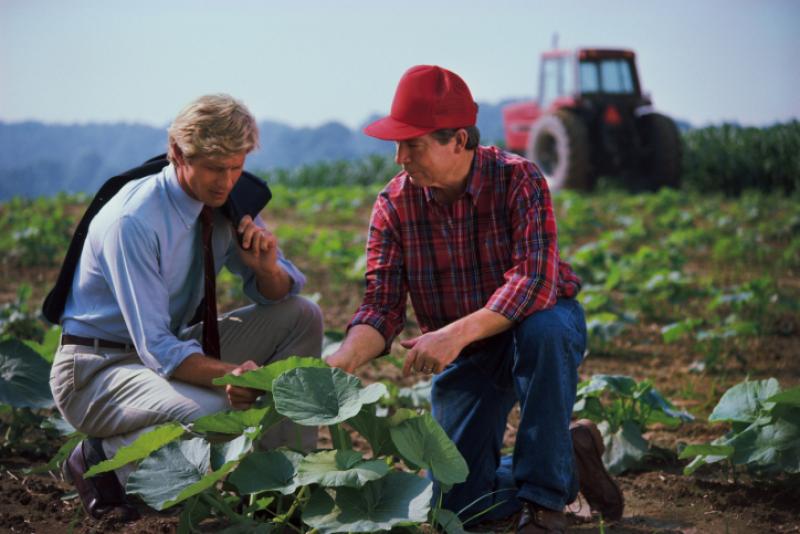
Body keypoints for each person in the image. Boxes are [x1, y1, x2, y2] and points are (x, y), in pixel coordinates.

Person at [326, 66, 623, 533]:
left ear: (458, 140)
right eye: (397, 145)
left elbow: (533, 282)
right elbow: (381, 307)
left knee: (543, 330)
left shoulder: (519, 178)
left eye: (414, 144)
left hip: (534, 325)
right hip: (469, 352)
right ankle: (569, 459)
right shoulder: (393, 205)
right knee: (456, 505)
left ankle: (546, 503)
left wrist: (452, 334)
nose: (400, 157)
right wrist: (340, 361)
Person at [49, 94, 323, 520]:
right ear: (177, 153)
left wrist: (266, 268)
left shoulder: (227, 200)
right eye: (214, 168)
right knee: (220, 412)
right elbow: (157, 346)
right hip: (96, 369)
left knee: (302, 315)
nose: (226, 181)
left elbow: (281, 291)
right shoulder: (133, 221)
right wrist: (230, 375)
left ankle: (281, 484)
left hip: (161, 353)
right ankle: (104, 460)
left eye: (237, 167)